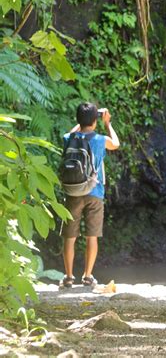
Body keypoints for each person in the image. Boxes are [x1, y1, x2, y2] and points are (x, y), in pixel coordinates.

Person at [59, 102, 120, 288]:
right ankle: (88, 276)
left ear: (78, 120)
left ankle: (68, 277)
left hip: (73, 192)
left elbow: (71, 132)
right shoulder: (101, 139)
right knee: (91, 236)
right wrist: (108, 123)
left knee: (69, 237)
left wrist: (80, 123)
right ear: (95, 121)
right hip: (95, 192)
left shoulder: (69, 138)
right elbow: (116, 144)